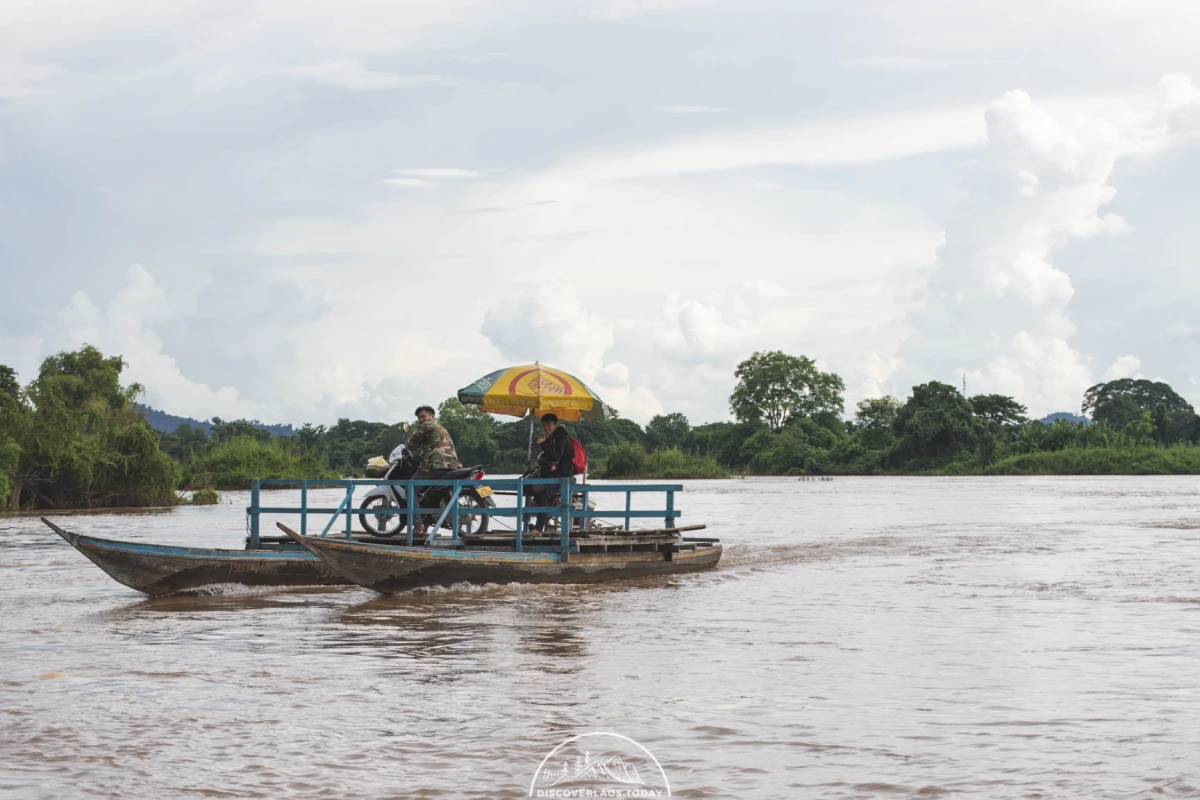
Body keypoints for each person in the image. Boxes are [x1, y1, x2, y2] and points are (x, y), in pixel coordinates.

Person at [407, 406, 461, 534]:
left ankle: (418, 524)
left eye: (423, 416)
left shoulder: (426, 426)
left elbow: (412, 444)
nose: (421, 419)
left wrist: (407, 446)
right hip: (452, 464)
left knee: (410, 488)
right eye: (419, 418)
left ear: (432, 416)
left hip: (435, 464)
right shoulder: (440, 427)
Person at [527, 413, 576, 532]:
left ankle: (538, 528)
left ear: (555, 424)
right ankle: (541, 524)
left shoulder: (561, 437)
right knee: (537, 491)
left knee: (545, 494)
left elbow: (556, 457)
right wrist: (540, 467)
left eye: (549, 425)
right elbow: (546, 456)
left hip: (563, 476)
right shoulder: (553, 437)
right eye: (544, 425)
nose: (546, 428)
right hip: (554, 474)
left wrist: (543, 444)